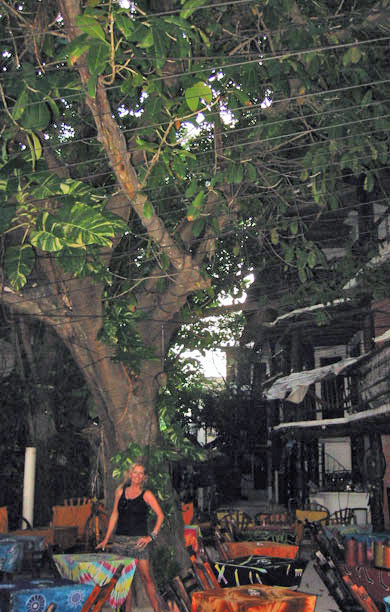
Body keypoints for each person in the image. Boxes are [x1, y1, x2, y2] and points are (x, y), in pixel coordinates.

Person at [97, 461, 165, 612]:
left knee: (146, 578)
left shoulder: (146, 494)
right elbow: (115, 514)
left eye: (141, 473)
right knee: (123, 581)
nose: (138, 476)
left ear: (144, 477)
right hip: (120, 541)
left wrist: (151, 537)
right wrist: (107, 538)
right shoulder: (120, 491)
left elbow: (161, 515)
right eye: (135, 472)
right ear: (130, 474)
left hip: (138, 542)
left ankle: (157, 610)